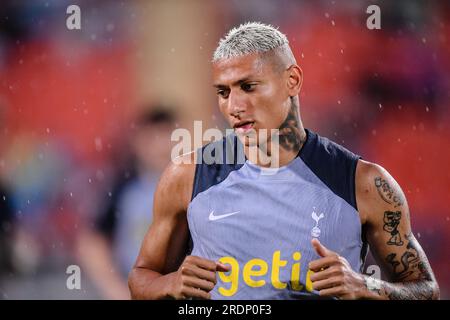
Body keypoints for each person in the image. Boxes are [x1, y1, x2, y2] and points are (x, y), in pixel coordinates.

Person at [128, 22, 439, 300]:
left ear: (292, 80)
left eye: (248, 87)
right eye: (223, 92)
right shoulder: (187, 175)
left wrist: (364, 286)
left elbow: (425, 291)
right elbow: (141, 278)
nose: (234, 105)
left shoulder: (364, 183)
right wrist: (169, 285)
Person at [78, 108, 176, 299]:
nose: (162, 147)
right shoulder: (123, 189)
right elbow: (91, 243)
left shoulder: (195, 186)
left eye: (168, 137)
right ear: (139, 143)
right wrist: (114, 287)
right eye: (153, 139)